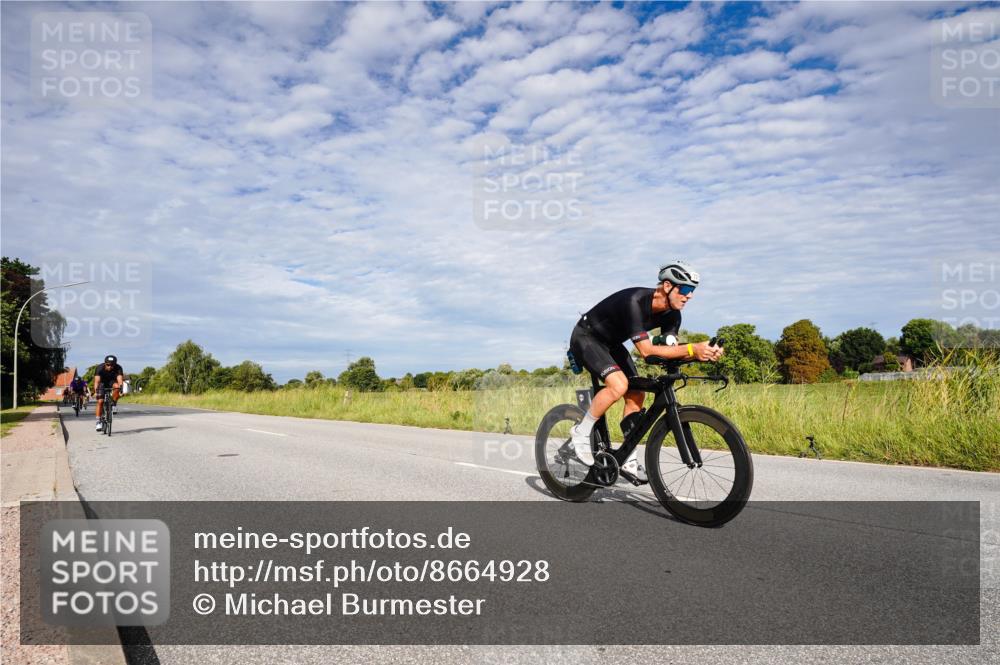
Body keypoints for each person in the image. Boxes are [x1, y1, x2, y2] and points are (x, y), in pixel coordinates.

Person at [567, 261, 723, 481]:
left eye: (693, 291)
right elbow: (647, 352)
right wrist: (692, 348)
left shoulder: (673, 315)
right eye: (686, 289)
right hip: (587, 337)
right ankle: (580, 432)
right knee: (619, 385)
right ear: (667, 286)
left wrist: (702, 354)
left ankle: (627, 458)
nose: (690, 296)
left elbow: (665, 353)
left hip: (612, 344)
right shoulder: (635, 302)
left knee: (636, 394)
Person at [93, 355, 124, 431]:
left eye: (112, 365)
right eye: (108, 365)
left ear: (115, 364)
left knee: (117, 386)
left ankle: (113, 404)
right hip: (102, 383)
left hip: (112, 382)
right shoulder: (99, 368)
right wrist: (96, 392)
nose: (110, 367)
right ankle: (98, 422)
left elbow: (120, 380)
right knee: (100, 401)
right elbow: (97, 381)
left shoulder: (118, 368)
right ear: (105, 363)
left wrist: (121, 390)